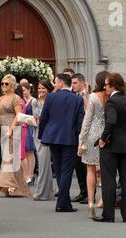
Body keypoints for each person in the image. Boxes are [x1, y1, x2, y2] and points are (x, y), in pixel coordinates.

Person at [39, 74, 85, 212]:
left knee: (59, 170)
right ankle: (62, 203)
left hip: (52, 137)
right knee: (66, 171)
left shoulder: (51, 97)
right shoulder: (77, 99)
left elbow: (44, 118)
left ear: (60, 83)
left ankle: (64, 202)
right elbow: (79, 122)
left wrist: (42, 137)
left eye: (55, 82)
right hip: (69, 138)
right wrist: (79, 139)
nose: (54, 84)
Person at [95, 73, 126, 223]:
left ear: (113, 85)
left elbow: (111, 122)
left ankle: (109, 215)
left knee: (109, 180)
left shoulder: (112, 102)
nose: (104, 87)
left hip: (111, 146)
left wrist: (102, 139)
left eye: (106, 85)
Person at [0, 74, 31, 198]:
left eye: (6, 83)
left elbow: (18, 115)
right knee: (10, 158)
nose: (4, 85)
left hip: (13, 130)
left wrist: (11, 129)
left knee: (7, 159)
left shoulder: (16, 98)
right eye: (2, 83)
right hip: (2, 130)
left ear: (12, 85)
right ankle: (18, 189)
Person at [78, 71, 109, 219]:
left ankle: (91, 203)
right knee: (105, 170)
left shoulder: (93, 97)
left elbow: (87, 120)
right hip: (107, 135)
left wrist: (81, 140)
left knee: (90, 170)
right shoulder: (111, 96)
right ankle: (103, 200)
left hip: (92, 135)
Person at [34, 80, 55, 201]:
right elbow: (34, 116)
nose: (41, 90)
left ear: (48, 89)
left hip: (46, 134)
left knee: (44, 164)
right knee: (43, 163)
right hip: (36, 133)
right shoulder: (34, 102)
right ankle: (48, 191)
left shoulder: (51, 101)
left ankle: (41, 192)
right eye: (39, 88)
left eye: (43, 88)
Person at [71, 73, 89, 204]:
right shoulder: (73, 96)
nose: (73, 86)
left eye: (75, 83)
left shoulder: (88, 95)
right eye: (72, 83)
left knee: (86, 165)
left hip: (87, 133)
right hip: (76, 133)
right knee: (78, 165)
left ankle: (90, 192)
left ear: (83, 83)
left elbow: (89, 113)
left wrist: (85, 96)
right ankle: (83, 191)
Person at [21, 83, 37, 184]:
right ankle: (26, 174)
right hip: (22, 127)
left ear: (29, 90)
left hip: (30, 127)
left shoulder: (33, 100)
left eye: (24, 90)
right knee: (24, 152)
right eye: (22, 90)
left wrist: (27, 120)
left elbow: (35, 116)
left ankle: (31, 174)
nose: (23, 92)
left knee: (30, 151)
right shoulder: (21, 100)